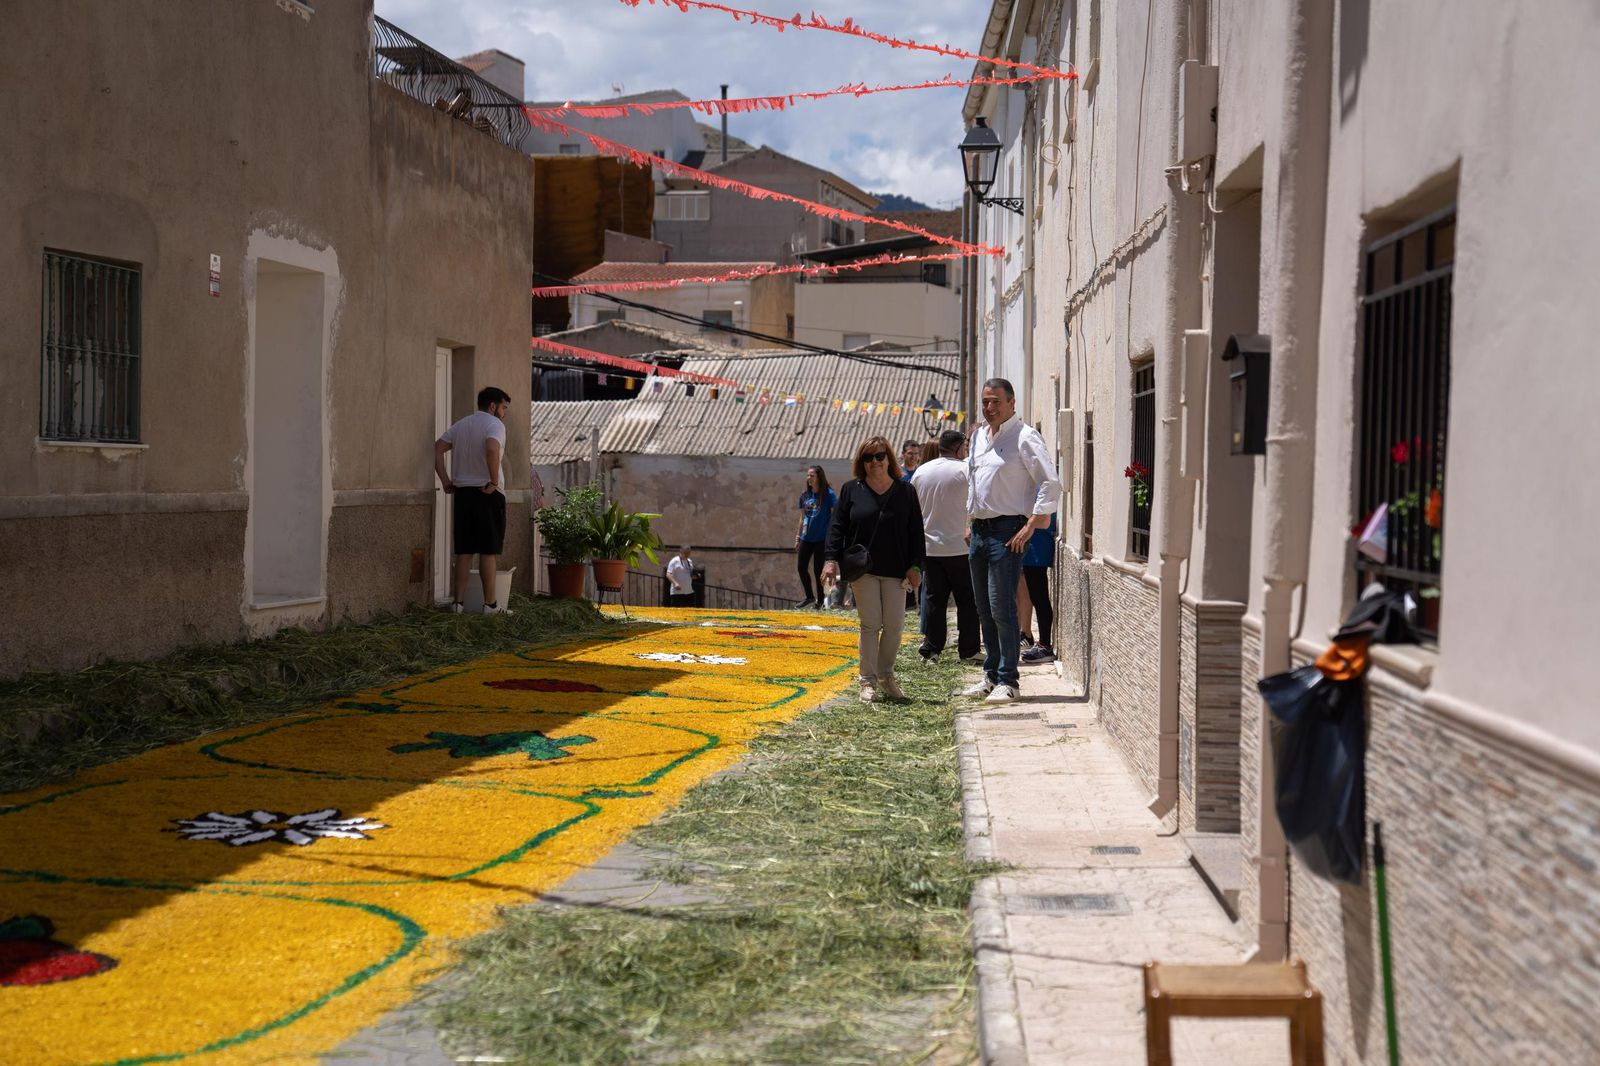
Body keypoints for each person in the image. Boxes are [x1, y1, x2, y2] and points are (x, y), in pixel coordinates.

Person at [964, 378, 1061, 702]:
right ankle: (991, 676)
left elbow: (1050, 483)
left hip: (1008, 532)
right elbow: (976, 479)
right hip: (979, 532)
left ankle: (1009, 680)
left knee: (1001, 607)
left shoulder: (1025, 437)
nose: (989, 408)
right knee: (983, 608)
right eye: (985, 402)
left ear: (1012, 403)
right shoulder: (979, 436)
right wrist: (970, 518)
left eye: (995, 402)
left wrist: (1032, 524)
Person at [823, 436, 925, 703]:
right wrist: (830, 559)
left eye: (879, 456)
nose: (874, 463)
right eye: (868, 458)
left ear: (889, 458)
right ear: (861, 462)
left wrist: (916, 566)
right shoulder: (850, 490)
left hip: (897, 569)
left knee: (894, 626)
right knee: (871, 624)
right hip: (863, 570)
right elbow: (836, 528)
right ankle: (867, 682)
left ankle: (886, 676)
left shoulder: (906, 491)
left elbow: (916, 532)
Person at [434, 386, 513, 615]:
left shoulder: (461, 425)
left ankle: (457, 604)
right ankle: (490, 605)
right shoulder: (495, 424)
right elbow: (492, 449)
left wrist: (446, 481)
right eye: (503, 407)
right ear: (492, 406)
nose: (504, 413)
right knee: (488, 551)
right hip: (487, 492)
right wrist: (493, 481)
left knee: (465, 551)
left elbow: (438, 448)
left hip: (463, 493)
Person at [911, 429, 981, 663]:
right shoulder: (965, 470)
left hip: (930, 548)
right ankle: (968, 650)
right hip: (960, 547)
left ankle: (931, 649)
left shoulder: (921, 472)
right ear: (959, 447)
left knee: (934, 601)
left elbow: (913, 509)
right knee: (967, 601)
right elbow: (976, 503)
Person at [1017, 514, 1057, 663]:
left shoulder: (1040, 492)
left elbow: (1045, 519)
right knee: (1036, 597)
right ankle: (1043, 644)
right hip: (1033, 547)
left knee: (1040, 598)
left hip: (1037, 547)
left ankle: (1045, 646)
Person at [795, 465, 836, 608]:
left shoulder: (829, 494)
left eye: (811, 475)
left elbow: (834, 516)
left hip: (821, 539)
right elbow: (802, 517)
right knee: (801, 567)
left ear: (819, 477)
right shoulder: (804, 495)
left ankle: (820, 601)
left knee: (819, 570)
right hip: (807, 538)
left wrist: (832, 536)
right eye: (807, 475)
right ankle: (809, 596)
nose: (809, 478)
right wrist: (798, 536)